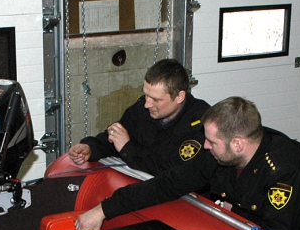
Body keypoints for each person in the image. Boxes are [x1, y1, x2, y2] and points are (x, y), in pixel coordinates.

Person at [75, 97, 300, 230]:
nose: (205, 147)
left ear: (238, 143)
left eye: (211, 141)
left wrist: (233, 209)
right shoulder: (219, 156)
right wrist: (104, 210)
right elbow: (166, 184)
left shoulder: (286, 168)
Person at [67, 58, 209, 175]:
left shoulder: (202, 124)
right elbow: (116, 137)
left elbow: (171, 170)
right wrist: (91, 148)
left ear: (179, 97)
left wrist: (128, 148)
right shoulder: (143, 109)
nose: (147, 104)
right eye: (146, 95)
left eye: (156, 99)